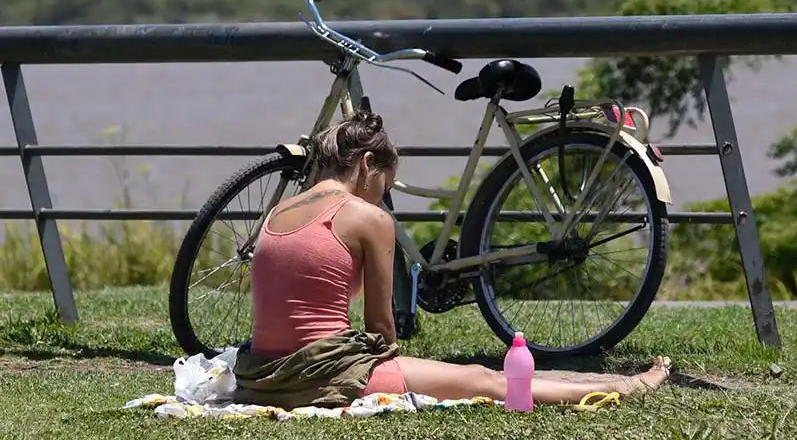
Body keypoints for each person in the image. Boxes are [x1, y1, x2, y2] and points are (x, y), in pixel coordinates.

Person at [232, 111, 671, 409]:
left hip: (258, 377)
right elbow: (381, 331)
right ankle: (623, 386)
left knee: (473, 375)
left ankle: (598, 383)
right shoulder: (368, 218)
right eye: (386, 182)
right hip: (316, 379)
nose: (384, 193)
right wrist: (400, 370)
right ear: (367, 164)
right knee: (486, 379)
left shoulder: (277, 212)